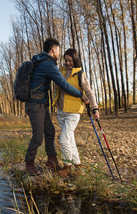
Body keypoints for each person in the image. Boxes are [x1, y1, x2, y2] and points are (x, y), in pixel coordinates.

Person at [24, 38, 89, 175]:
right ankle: (29, 164)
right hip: (34, 104)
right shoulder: (48, 64)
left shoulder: (41, 61)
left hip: (40, 104)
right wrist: (80, 95)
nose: (59, 53)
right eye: (58, 50)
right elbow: (63, 84)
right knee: (37, 136)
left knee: (50, 131)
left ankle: (52, 161)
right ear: (53, 50)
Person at [52, 48, 100, 177]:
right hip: (61, 111)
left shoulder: (80, 74)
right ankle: (78, 165)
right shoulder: (60, 71)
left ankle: (68, 166)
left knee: (63, 140)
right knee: (70, 140)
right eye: (66, 60)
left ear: (75, 60)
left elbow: (89, 92)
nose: (67, 63)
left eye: (70, 60)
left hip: (73, 112)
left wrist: (94, 107)